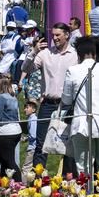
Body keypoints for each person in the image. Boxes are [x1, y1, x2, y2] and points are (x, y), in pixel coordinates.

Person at [62, 38, 99, 183]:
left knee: (83, 166)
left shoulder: (72, 70)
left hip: (82, 125)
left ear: (79, 55)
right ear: (95, 54)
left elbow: (66, 100)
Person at [21, 22, 79, 172]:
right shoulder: (44, 54)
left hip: (68, 105)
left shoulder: (75, 55)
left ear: (67, 35)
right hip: (47, 104)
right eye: (53, 35)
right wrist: (33, 51)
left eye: (58, 35)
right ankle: (38, 181)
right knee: (40, 144)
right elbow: (25, 69)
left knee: (69, 144)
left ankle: (69, 181)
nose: (55, 38)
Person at [0, 74, 23, 179]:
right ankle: (3, 183)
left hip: (5, 132)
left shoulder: (0, 98)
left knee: (8, 161)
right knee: (4, 162)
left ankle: (18, 183)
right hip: (16, 130)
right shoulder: (13, 97)